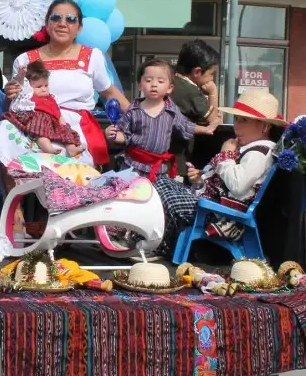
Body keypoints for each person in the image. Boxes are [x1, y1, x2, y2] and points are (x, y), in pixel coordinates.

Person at [0, 0, 130, 170]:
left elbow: (109, 93)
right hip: (33, 127)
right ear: (47, 25)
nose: (63, 23)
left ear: (79, 28)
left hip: (74, 128)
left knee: (74, 184)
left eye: (70, 19)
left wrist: (143, 118)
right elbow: (14, 106)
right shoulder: (25, 60)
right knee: (10, 153)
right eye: (56, 18)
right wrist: (10, 95)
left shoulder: (92, 57)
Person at [159, 89, 285, 256]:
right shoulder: (247, 148)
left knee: (168, 197)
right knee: (161, 182)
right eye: (236, 119)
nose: (237, 125)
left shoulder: (259, 154)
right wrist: (200, 181)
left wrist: (226, 155)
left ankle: (162, 246)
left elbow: (238, 186)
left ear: (265, 126)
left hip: (223, 216)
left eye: (245, 120)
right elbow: (226, 182)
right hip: (214, 205)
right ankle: (159, 241)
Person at [106, 58, 217, 182]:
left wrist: (206, 129)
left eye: (160, 81)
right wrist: (113, 135)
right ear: (140, 85)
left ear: (170, 88)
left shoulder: (171, 110)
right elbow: (124, 135)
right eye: (148, 80)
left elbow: (186, 126)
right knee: (128, 197)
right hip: (132, 166)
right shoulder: (133, 110)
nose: (154, 84)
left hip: (159, 170)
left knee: (168, 200)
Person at [3, 60, 83, 158]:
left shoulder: (51, 99)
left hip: (51, 121)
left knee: (66, 130)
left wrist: (62, 123)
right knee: (40, 130)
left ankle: (71, 149)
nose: (44, 89)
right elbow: (20, 86)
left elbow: (57, 112)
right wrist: (21, 76)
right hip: (35, 117)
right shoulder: (28, 94)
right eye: (39, 86)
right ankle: (48, 148)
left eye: (46, 85)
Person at [169, 39, 222, 178]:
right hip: (178, 160)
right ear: (197, 72)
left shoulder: (171, 81)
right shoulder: (191, 92)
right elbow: (213, 121)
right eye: (211, 74)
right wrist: (213, 93)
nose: (212, 79)